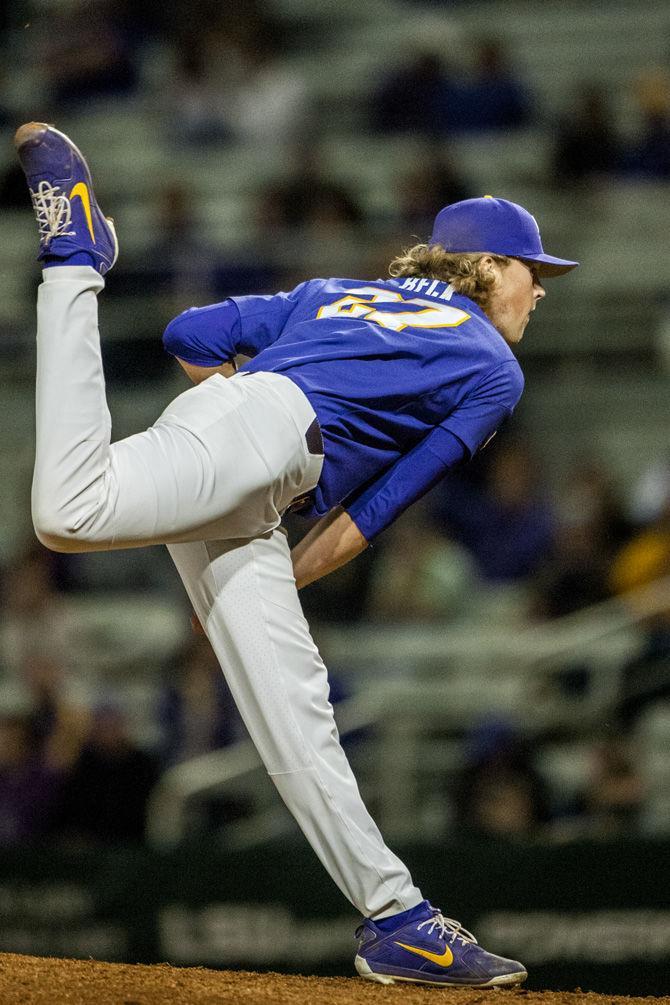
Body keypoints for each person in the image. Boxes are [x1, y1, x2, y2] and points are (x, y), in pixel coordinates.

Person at [15, 121, 578, 988]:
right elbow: (378, 507)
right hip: (268, 449)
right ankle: (75, 262)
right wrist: (271, 510)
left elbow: (188, 333)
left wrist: (241, 431)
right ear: (490, 268)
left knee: (293, 709)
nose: (538, 291)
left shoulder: (334, 291)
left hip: (248, 448)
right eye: (532, 272)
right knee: (65, 511)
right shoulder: (491, 364)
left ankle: (399, 918)